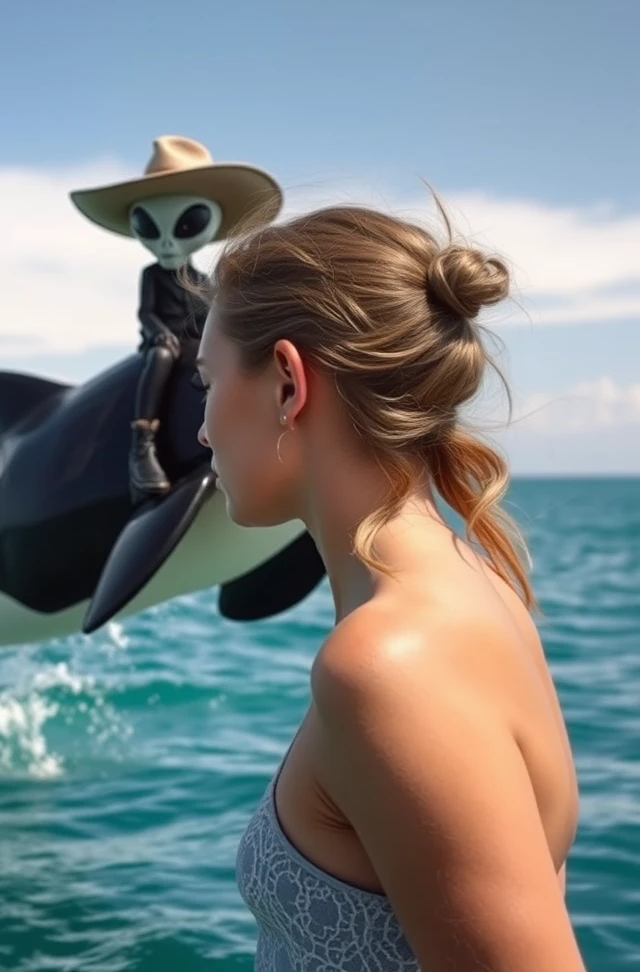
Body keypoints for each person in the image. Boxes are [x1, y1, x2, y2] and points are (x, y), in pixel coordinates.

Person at [188, 200, 585, 970]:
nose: (201, 428)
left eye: (205, 381)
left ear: (286, 385)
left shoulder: (388, 665)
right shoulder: (474, 583)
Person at [69, 135, 282, 502]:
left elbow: (210, 322)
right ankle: (143, 442)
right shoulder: (152, 277)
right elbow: (147, 312)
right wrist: (158, 333)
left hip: (194, 345)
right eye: (149, 227)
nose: (166, 243)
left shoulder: (203, 282)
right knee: (163, 357)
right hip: (160, 342)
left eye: (188, 224)